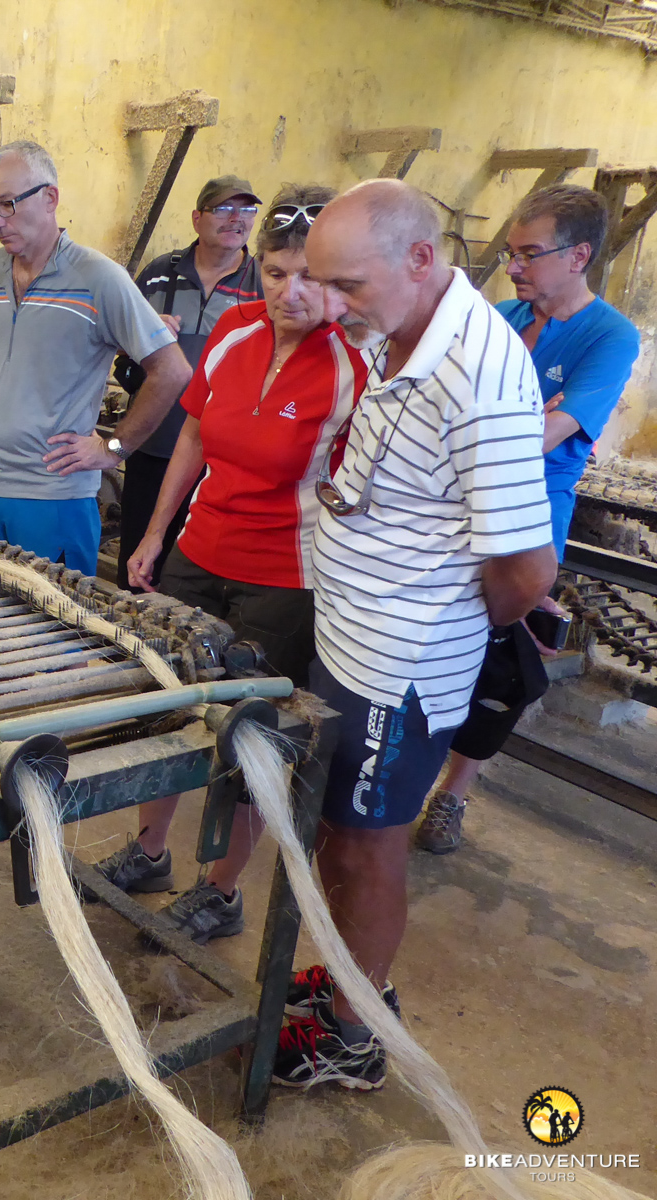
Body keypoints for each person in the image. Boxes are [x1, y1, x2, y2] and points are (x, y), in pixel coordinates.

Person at [273, 180, 556, 1090]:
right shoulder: (397, 329)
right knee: (337, 824)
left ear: (421, 259)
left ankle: (354, 1037)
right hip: (351, 638)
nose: (331, 306)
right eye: (322, 282)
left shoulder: (479, 376)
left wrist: (434, 622)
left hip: (398, 665)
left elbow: (526, 572)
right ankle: (349, 978)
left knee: (369, 842)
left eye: (347, 285)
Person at [93, 185, 366, 943]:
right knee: (168, 705)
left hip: (283, 579)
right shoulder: (233, 332)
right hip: (198, 553)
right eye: (276, 272)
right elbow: (192, 437)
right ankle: (150, 851)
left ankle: (221, 890)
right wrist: (156, 535)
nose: (289, 292)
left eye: (309, 276)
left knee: (250, 739)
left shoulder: (352, 367)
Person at [416, 184, 642, 854]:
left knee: (497, 663)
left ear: (579, 256)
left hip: (528, 517)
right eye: (511, 253)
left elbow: (549, 434)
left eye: (528, 254)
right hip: (455, 504)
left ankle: (453, 793)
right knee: (434, 645)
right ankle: (409, 763)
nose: (513, 267)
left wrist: (467, 436)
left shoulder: (609, 336)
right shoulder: (503, 317)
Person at [0, 140, 191, 577]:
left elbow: (172, 370)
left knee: (50, 618)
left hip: (53, 497)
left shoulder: (99, 278)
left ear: (50, 198)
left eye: (7, 205)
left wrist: (114, 448)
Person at [120, 175, 265, 589]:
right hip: (152, 445)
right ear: (197, 218)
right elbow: (119, 348)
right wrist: (143, 336)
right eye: (224, 208)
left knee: (192, 580)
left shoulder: (262, 284)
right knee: (137, 569)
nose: (237, 218)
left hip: (218, 461)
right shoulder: (157, 275)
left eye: (247, 209)